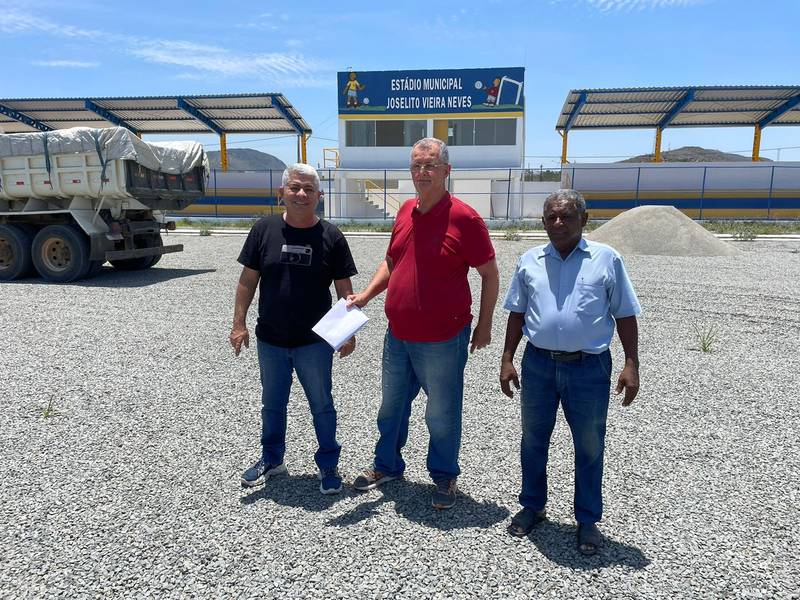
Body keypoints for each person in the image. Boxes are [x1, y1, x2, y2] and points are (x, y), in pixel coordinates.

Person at [347, 138, 499, 510]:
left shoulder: (464, 218)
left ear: (446, 170)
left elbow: (490, 275)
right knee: (391, 407)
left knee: (441, 412)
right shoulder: (404, 212)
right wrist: (366, 295)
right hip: (398, 335)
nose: (422, 172)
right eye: (416, 165)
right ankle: (387, 466)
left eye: (430, 165)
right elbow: (392, 260)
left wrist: (485, 325)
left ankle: (444, 475)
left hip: (443, 338)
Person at [499, 189, 641, 555]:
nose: (558, 223)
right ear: (543, 222)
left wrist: (631, 363)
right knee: (533, 440)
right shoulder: (530, 260)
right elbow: (517, 312)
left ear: (584, 220)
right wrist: (507, 358)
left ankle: (588, 520)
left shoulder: (606, 259)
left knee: (589, 445)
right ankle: (533, 506)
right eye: (551, 217)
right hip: (538, 364)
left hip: (589, 368)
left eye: (567, 216)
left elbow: (625, 314)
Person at [230, 163, 357, 496]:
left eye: (308, 189)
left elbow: (345, 289)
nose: (301, 194)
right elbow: (247, 281)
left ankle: (328, 465)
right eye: (295, 188)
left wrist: (347, 332)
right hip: (270, 341)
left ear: (319, 196)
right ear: (281, 193)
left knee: (322, 405)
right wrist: (239, 323)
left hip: (314, 343)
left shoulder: (331, 236)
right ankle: (272, 459)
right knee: (272, 405)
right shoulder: (263, 230)